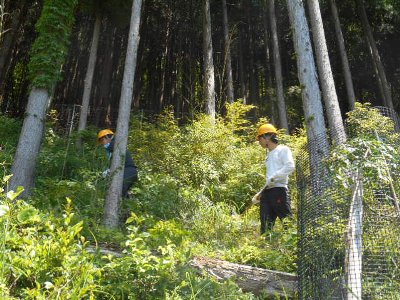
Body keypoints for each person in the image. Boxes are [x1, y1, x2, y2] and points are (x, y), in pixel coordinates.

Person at [252, 124, 295, 234]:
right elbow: (269, 178)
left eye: (260, 139)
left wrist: (275, 176)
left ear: (267, 137)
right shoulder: (269, 155)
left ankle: (292, 244)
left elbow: (290, 166)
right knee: (265, 223)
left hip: (279, 191)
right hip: (267, 192)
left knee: (286, 221)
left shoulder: (283, 150)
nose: (259, 142)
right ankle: (266, 245)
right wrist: (261, 192)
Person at [97, 129, 138, 198]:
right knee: (123, 194)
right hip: (129, 172)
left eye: (102, 140)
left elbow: (112, 147)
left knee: (118, 191)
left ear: (107, 137)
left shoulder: (115, 145)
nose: (102, 143)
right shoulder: (114, 148)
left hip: (128, 171)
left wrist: (109, 171)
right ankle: (129, 201)